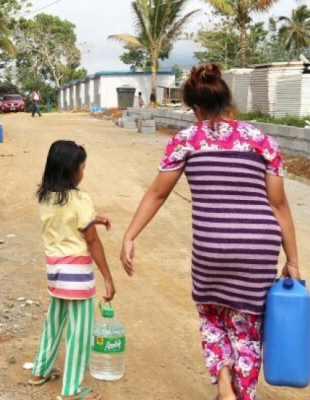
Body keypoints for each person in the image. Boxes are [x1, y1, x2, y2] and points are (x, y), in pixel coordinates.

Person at [120, 64, 300, 400]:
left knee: (212, 316)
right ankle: (241, 394)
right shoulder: (261, 141)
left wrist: (130, 236)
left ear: (196, 109)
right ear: (228, 101)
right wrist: (293, 260)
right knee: (246, 327)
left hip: (211, 248)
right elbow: (279, 206)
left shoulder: (186, 141)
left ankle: (223, 388)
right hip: (258, 250)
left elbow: (157, 194)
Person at [28, 140, 116, 400]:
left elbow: (66, 220)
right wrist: (108, 278)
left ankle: (40, 370)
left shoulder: (46, 196)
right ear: (72, 170)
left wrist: (95, 217)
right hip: (77, 277)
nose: (83, 172)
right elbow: (91, 240)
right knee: (79, 332)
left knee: (54, 323)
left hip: (55, 273)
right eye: (82, 167)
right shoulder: (80, 199)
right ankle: (72, 389)